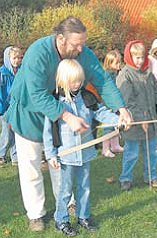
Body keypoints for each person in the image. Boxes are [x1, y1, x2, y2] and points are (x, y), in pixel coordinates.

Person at [5, 16, 131, 231]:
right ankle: (36, 214)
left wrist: (121, 109)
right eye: (76, 44)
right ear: (60, 38)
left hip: (61, 116)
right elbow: (36, 95)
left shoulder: (82, 52)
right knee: (31, 166)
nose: (81, 49)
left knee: (63, 162)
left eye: (83, 43)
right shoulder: (38, 52)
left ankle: (68, 205)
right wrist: (67, 116)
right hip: (29, 113)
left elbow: (102, 79)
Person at [43, 59, 121, 236]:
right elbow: (48, 132)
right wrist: (51, 154)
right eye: (73, 81)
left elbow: (100, 112)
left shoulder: (86, 97)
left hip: (85, 153)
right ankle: (61, 220)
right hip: (66, 155)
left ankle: (83, 216)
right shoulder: (55, 102)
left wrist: (118, 120)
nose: (77, 84)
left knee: (84, 186)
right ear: (62, 80)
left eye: (79, 80)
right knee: (65, 191)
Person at [116, 40, 157, 191]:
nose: (140, 61)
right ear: (130, 57)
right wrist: (140, 119)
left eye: (142, 57)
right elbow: (127, 102)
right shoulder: (125, 75)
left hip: (150, 121)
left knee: (152, 152)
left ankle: (151, 176)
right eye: (136, 57)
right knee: (131, 153)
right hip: (133, 122)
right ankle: (125, 178)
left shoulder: (148, 72)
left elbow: (156, 92)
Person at [0, 46, 23, 166]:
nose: (17, 60)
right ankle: (1, 154)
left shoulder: (21, 71)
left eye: (19, 58)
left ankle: (15, 156)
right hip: (5, 108)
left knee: (15, 131)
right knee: (7, 132)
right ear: (8, 58)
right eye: (14, 58)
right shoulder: (2, 73)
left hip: (17, 107)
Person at [102, 49, 124, 158]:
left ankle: (115, 145)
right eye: (116, 62)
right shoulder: (108, 75)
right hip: (108, 104)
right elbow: (108, 91)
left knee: (116, 124)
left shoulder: (116, 73)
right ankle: (105, 149)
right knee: (108, 126)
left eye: (120, 62)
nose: (119, 64)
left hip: (114, 104)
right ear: (109, 63)